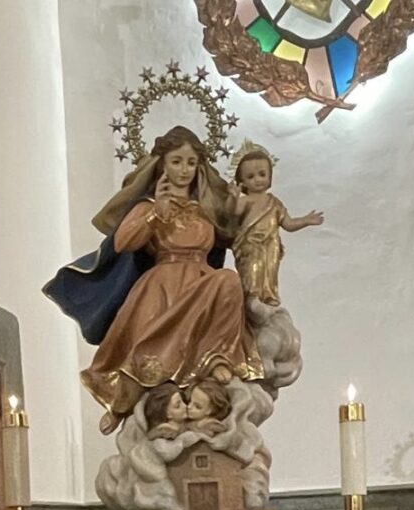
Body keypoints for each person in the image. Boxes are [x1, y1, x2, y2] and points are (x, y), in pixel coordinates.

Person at [44, 126, 263, 434]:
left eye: (190, 162)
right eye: (176, 161)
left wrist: (248, 212)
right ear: (162, 164)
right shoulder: (148, 205)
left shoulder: (206, 208)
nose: (184, 170)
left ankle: (216, 359)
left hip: (202, 280)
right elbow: (123, 243)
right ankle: (125, 405)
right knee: (149, 350)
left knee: (228, 280)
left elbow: (236, 233)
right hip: (162, 287)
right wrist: (155, 214)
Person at [229, 146, 324, 306]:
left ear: (270, 177)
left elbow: (288, 224)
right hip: (250, 245)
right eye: (251, 176)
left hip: (270, 245)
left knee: (269, 272)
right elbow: (233, 212)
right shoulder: (245, 201)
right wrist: (232, 197)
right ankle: (251, 297)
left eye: (262, 174)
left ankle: (268, 295)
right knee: (252, 271)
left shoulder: (274, 203)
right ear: (242, 181)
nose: (258, 179)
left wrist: (306, 220)